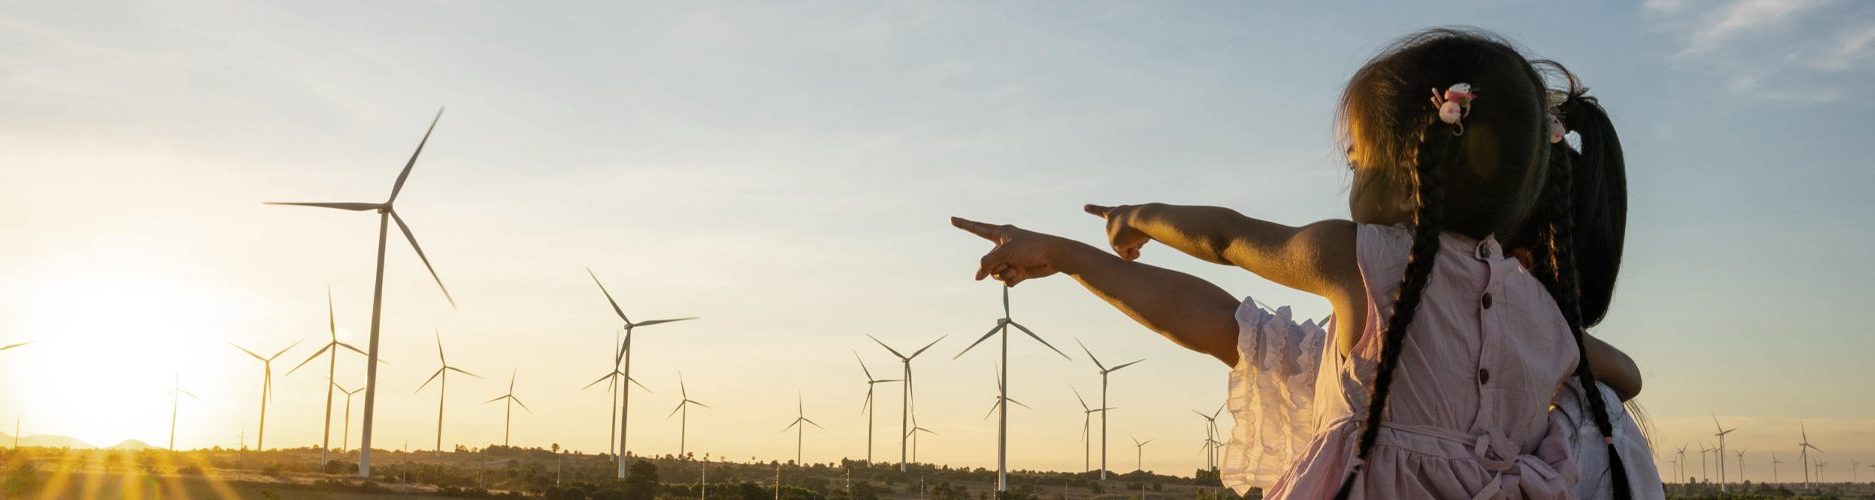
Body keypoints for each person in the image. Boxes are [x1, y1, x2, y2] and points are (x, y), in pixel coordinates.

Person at [952, 28, 1654, 498]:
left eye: (1354, 158)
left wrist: (1132, 220)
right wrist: (1568, 361)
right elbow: (1621, 373)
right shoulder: (1540, 321)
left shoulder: (1359, 260)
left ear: (1403, 169)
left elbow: (1225, 240)